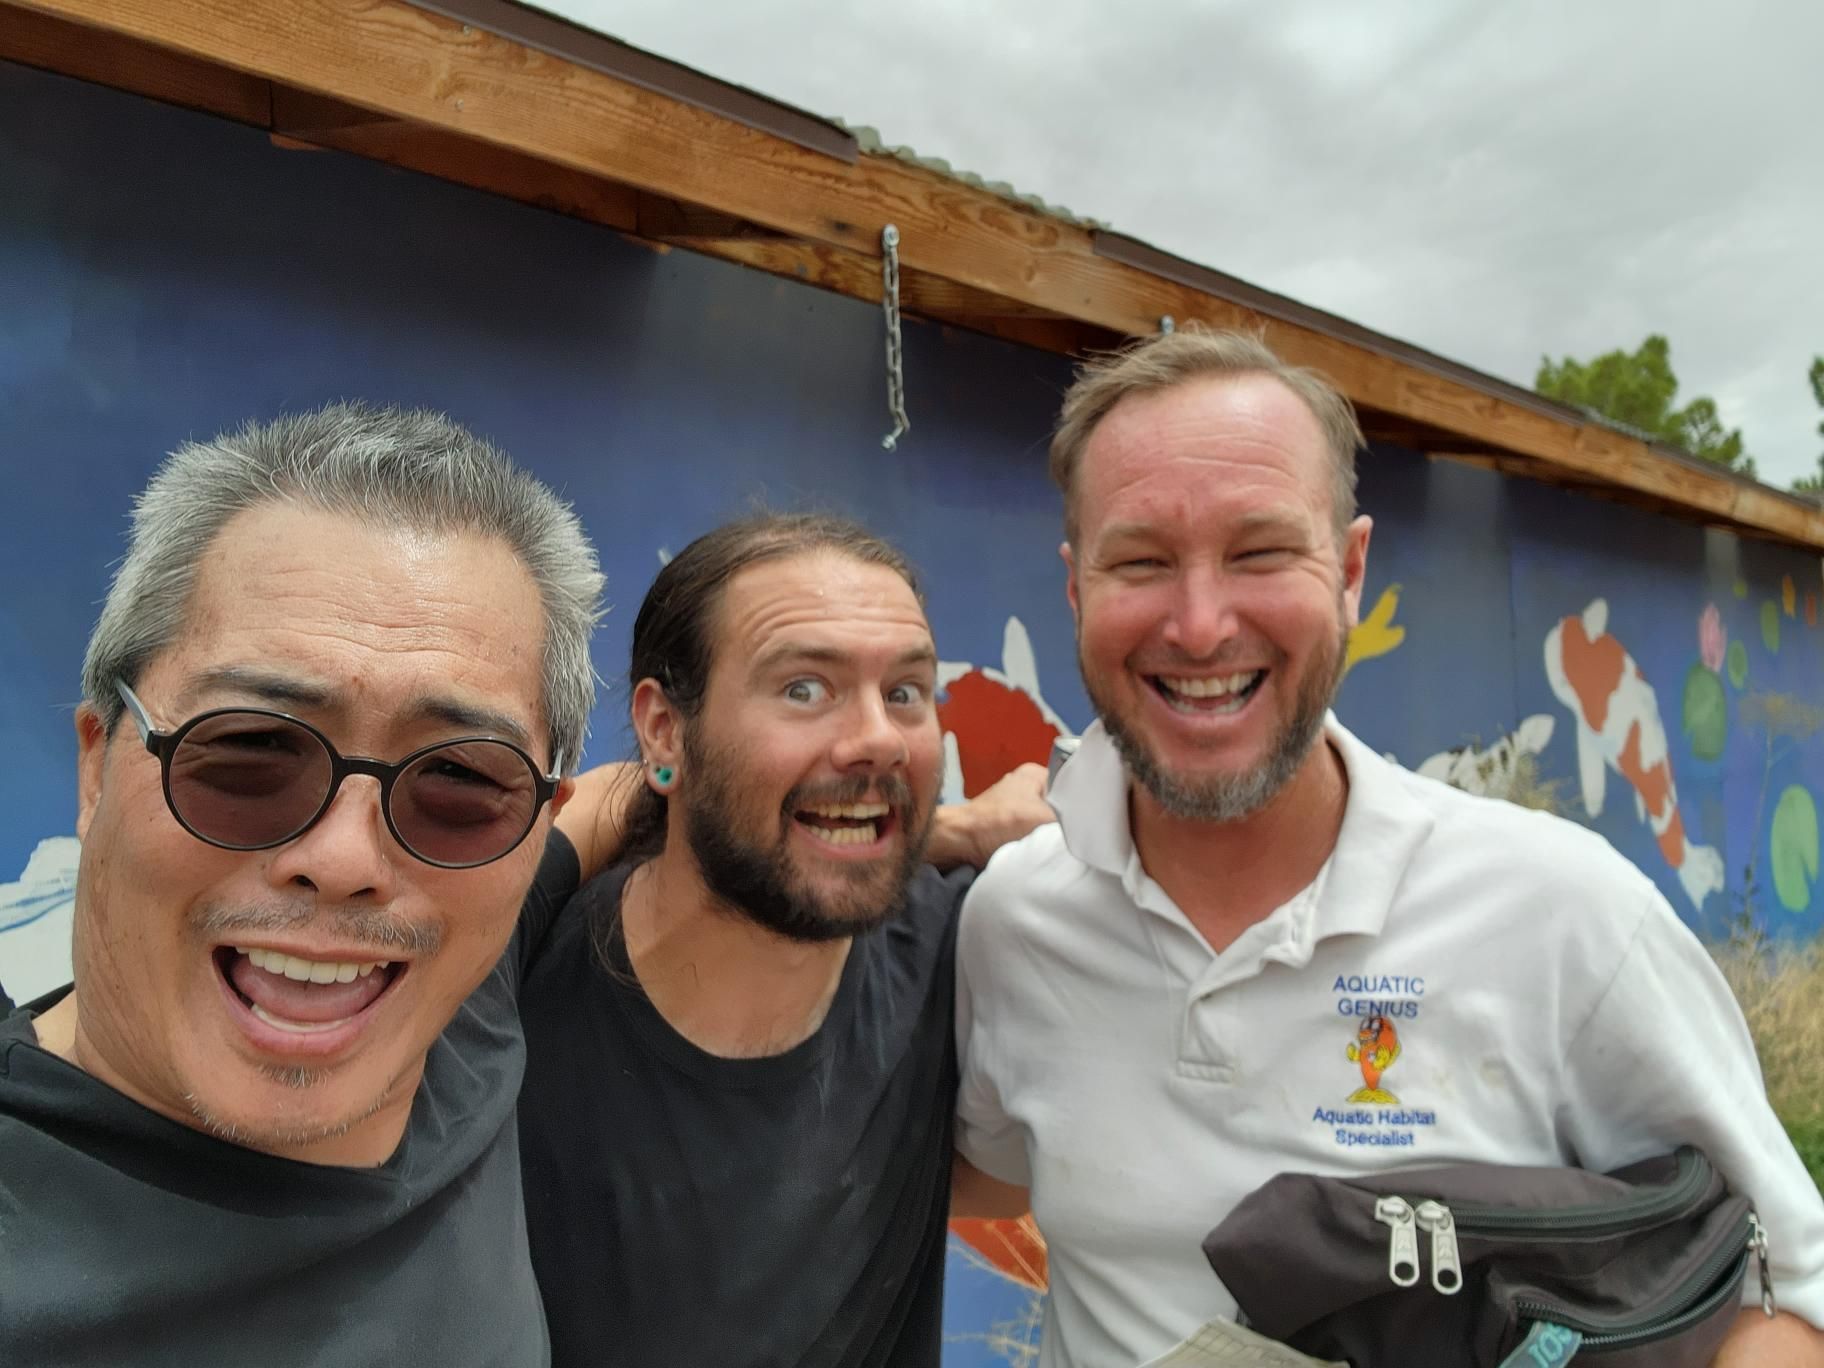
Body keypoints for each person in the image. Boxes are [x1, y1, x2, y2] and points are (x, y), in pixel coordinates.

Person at [952, 329, 1824, 1367]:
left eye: (1260, 551)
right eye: (1140, 560)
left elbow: (1785, 1291)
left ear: (1352, 570)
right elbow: (1005, 1169)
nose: (1197, 624)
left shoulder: (1563, 911)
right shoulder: (1015, 921)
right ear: (1075, 587)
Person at [0, 403, 619, 1366]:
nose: (343, 861)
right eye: (249, 749)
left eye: (457, 779)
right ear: (96, 766)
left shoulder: (463, 1001)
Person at [516, 513, 1051, 1367]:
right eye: (805, 688)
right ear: (664, 729)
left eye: (907, 692)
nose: (878, 735)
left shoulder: (968, 951)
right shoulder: (505, 981)